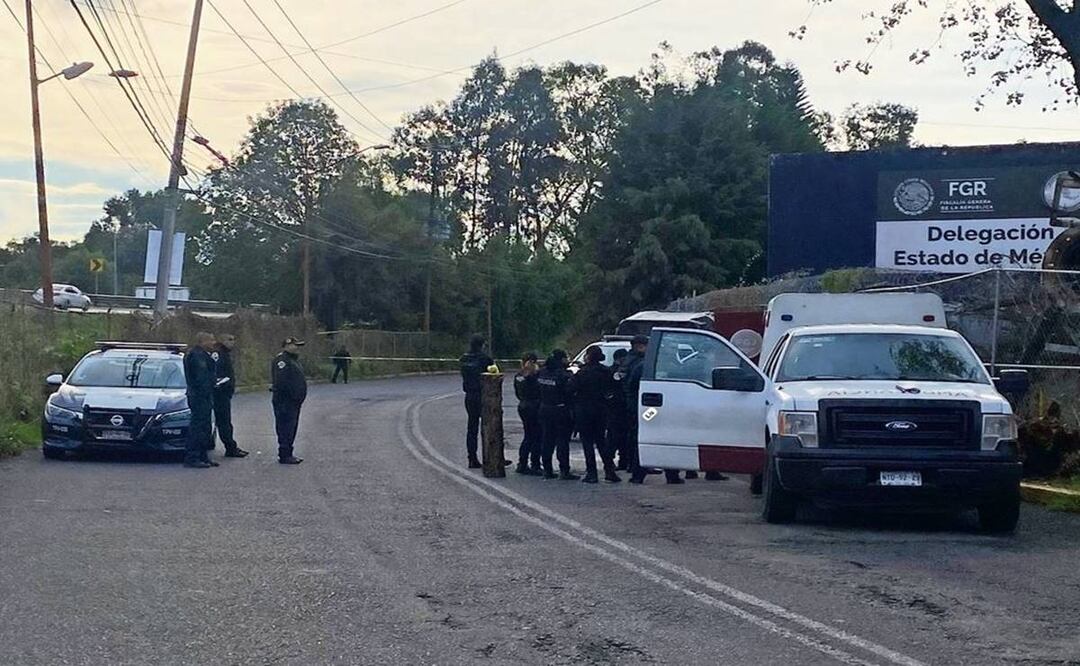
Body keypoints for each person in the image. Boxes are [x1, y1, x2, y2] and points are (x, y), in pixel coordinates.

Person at [570, 345, 620, 484]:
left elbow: (571, 389)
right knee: (601, 442)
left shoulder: (581, 373)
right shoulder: (606, 371)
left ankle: (592, 473)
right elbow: (613, 389)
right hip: (600, 410)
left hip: (584, 410)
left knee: (587, 443)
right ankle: (609, 471)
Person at [538, 349, 577, 480]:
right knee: (562, 441)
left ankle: (547, 470)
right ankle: (564, 470)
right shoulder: (564, 375)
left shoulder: (542, 372)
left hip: (544, 408)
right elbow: (571, 391)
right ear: (561, 360)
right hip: (560, 410)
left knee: (547, 440)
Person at [183, 331, 218, 469]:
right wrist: (211, 384)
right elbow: (201, 378)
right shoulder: (197, 356)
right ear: (202, 342)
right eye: (211, 340)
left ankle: (203, 456)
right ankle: (193, 457)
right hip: (199, 396)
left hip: (203, 395)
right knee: (197, 427)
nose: (213, 343)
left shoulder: (202, 355)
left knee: (205, 427)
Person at [271, 337, 308, 465]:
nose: (297, 348)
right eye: (295, 345)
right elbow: (281, 382)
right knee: (285, 427)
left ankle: (288, 453)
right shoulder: (282, 360)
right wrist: (292, 396)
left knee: (291, 427)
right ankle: (284, 454)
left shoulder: (293, 360)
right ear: (286, 346)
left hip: (293, 401)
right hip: (285, 401)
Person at [459, 335, 494, 469]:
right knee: (489, 426)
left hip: (469, 395)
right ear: (482, 345)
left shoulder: (464, 358)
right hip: (484, 396)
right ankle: (491, 457)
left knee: (472, 427)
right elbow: (494, 374)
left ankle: (472, 458)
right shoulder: (485, 359)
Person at [211, 333, 248, 458]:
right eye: (229, 339)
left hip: (223, 393)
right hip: (219, 393)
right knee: (223, 421)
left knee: (225, 421)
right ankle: (230, 448)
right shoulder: (218, 353)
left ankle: (231, 447)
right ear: (221, 340)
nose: (233, 342)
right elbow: (217, 373)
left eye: (233, 339)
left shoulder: (224, 353)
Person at [624, 335, 649, 484]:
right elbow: (632, 386)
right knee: (642, 435)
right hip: (645, 408)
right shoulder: (640, 363)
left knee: (636, 436)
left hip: (636, 405)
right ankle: (637, 471)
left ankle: (634, 468)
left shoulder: (629, 361)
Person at [513, 351, 542, 475]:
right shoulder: (535, 376)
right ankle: (535, 464)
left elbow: (517, 393)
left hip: (523, 405)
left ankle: (522, 463)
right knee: (536, 436)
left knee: (528, 435)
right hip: (534, 406)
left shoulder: (518, 376)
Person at [608, 348, 630, 471]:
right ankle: (611, 461)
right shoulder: (614, 372)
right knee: (615, 437)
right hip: (616, 408)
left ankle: (622, 461)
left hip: (617, 408)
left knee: (620, 437)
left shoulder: (612, 370)